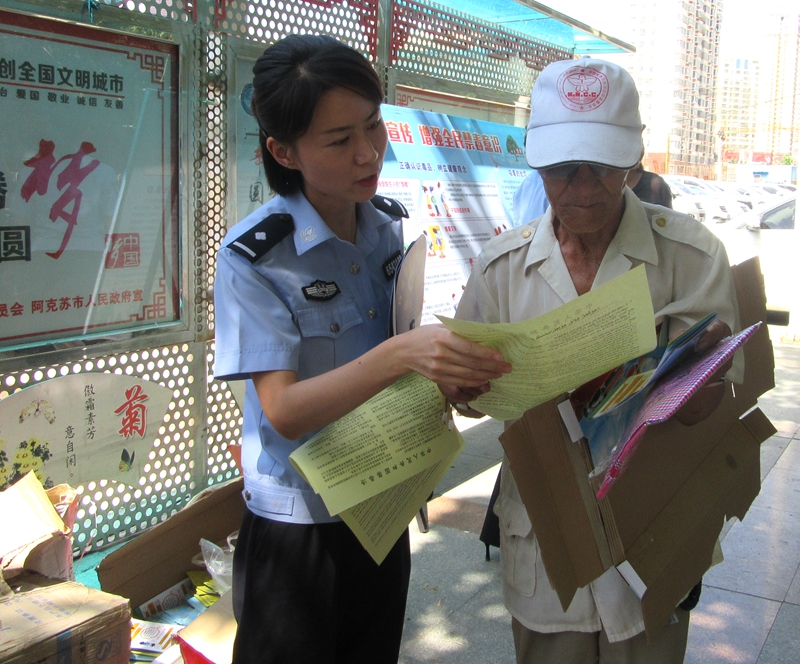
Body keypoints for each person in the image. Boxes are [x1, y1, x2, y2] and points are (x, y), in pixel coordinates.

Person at [213, 35, 511, 664]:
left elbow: (390, 360)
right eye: (339, 139)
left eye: (373, 125)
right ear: (283, 151)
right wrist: (404, 357)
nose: (368, 152)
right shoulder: (255, 258)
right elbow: (285, 409)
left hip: (380, 505)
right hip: (299, 528)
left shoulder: (384, 227)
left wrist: (447, 378)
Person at [439, 56, 740, 663]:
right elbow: (465, 399)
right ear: (536, 163)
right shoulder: (502, 267)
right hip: (546, 542)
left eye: (602, 167)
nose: (582, 186)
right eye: (562, 169)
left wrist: (693, 383)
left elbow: (715, 402)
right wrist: (463, 387)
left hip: (655, 528)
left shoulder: (691, 255)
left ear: (634, 159)